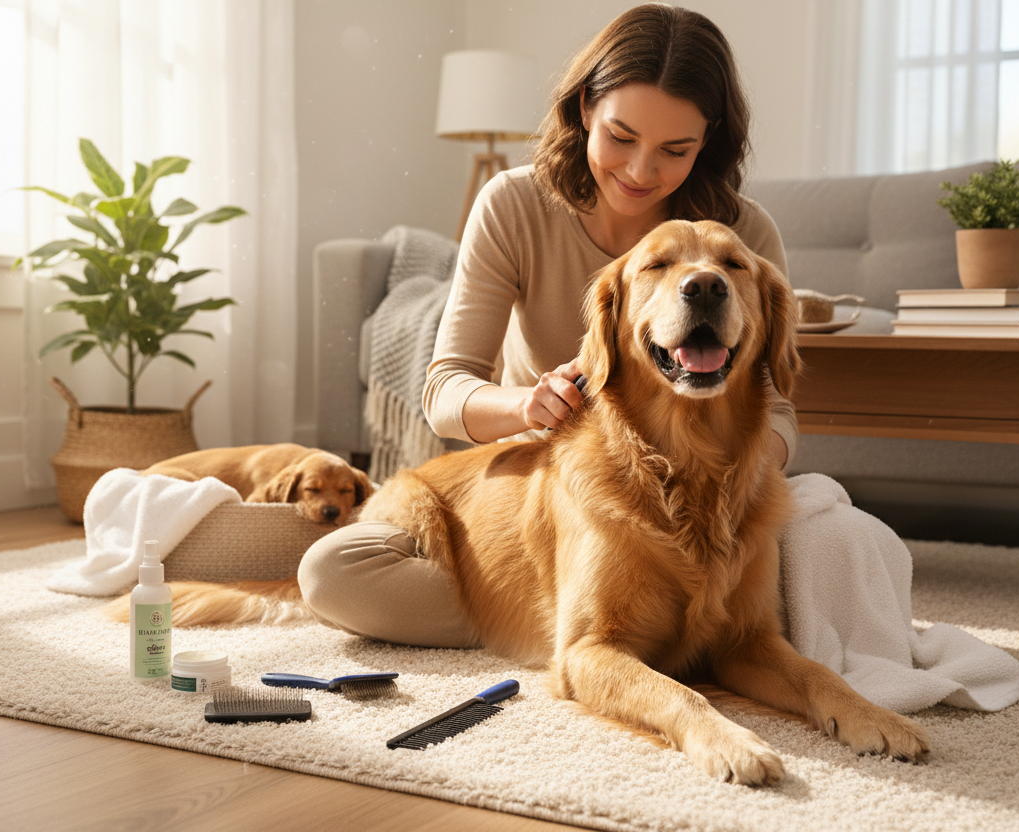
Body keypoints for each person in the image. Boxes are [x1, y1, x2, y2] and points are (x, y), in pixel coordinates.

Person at [298, 4, 795, 647]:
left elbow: (777, 405)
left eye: (675, 150)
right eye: (621, 137)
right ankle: (575, 622)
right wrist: (527, 405)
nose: (641, 171)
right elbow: (445, 389)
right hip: (549, 493)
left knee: (834, 535)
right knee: (332, 571)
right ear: (585, 106)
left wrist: (738, 480)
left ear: (708, 141)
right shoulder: (512, 203)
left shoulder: (741, 240)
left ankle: (624, 633)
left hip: (718, 486)